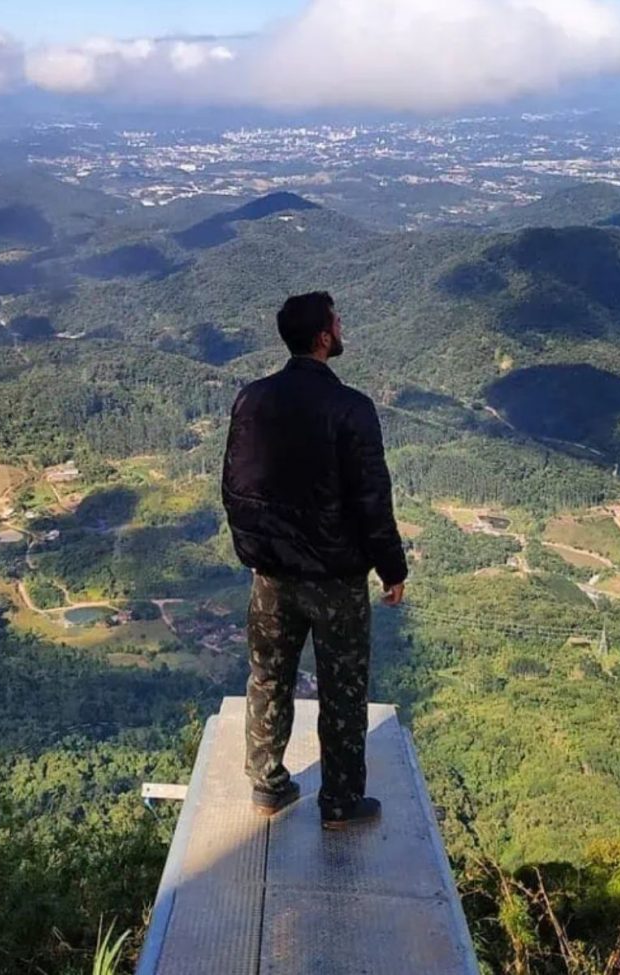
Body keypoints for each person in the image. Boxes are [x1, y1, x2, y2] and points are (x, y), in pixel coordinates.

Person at [221, 291, 407, 830]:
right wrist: (391, 568)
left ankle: (267, 786)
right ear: (324, 337)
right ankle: (340, 803)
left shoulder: (250, 399)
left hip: (272, 576)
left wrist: (253, 551)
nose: (342, 326)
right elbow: (373, 499)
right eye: (338, 321)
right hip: (336, 579)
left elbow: (234, 488)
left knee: (268, 678)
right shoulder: (351, 409)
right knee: (342, 689)